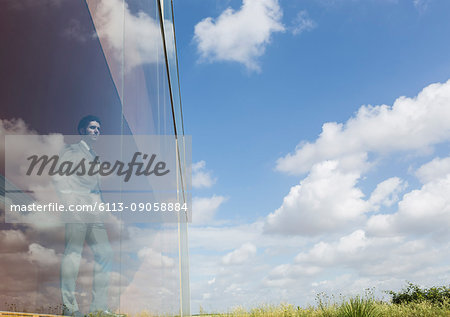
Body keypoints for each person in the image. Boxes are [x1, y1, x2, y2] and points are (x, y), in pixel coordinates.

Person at [56, 115, 113, 317]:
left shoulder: (94, 155)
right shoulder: (72, 150)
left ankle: (99, 309)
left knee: (105, 253)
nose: (96, 131)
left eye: (98, 128)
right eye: (92, 127)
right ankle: (69, 308)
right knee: (73, 253)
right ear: (82, 131)